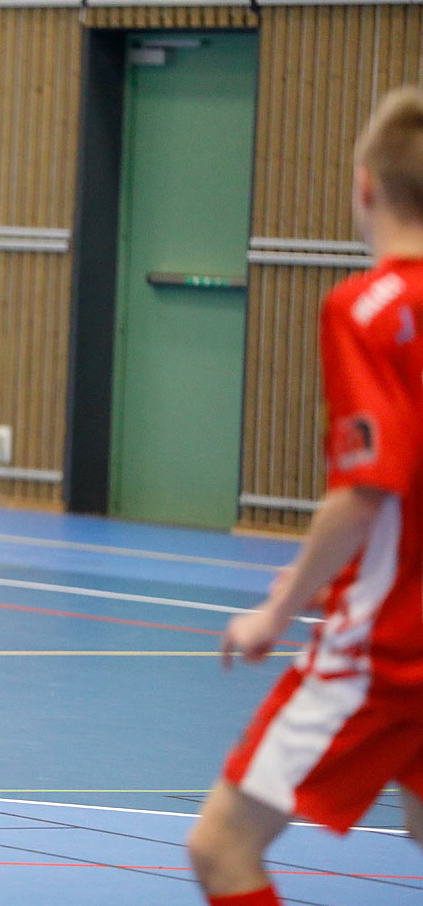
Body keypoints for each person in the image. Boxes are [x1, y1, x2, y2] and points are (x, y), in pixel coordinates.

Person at [187, 85, 423, 905]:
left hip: (390, 646)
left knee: (222, 849)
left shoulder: (368, 308)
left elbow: (365, 490)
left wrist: (278, 611)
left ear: (365, 186)